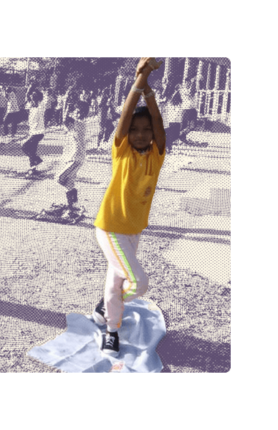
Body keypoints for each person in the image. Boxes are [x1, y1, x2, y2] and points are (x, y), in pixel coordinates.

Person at [92, 57, 166, 357]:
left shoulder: (156, 156)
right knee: (139, 282)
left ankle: (110, 329)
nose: (139, 134)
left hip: (134, 230)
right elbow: (125, 114)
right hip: (111, 227)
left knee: (116, 279)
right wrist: (140, 80)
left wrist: (148, 88)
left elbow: (159, 124)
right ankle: (108, 308)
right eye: (135, 129)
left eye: (144, 130)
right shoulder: (121, 151)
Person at [40, 99, 89, 220]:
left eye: (78, 111)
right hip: (76, 158)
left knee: (59, 178)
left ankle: (73, 204)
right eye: (76, 111)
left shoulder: (79, 122)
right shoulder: (79, 123)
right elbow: (66, 124)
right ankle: (72, 205)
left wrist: (67, 103)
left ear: (82, 112)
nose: (76, 113)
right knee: (69, 182)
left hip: (75, 158)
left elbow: (64, 120)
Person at [21, 81, 48, 178]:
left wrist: (37, 90)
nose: (31, 100)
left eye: (33, 98)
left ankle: (36, 160)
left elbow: (41, 97)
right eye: (31, 98)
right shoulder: (31, 105)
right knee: (32, 150)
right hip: (33, 132)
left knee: (24, 146)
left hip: (38, 133)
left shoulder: (41, 106)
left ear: (37, 99)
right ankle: (33, 168)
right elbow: (27, 95)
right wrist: (31, 86)